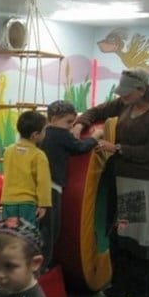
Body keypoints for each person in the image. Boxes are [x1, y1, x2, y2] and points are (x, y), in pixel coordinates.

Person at [72, 68, 149, 297]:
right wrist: (80, 123)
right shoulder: (125, 104)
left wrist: (117, 148)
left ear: (141, 90)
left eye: (128, 93)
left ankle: (140, 291)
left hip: (142, 182)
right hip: (122, 180)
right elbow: (97, 110)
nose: (123, 97)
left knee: (137, 237)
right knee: (119, 233)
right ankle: (118, 287)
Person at [39, 100, 104, 271]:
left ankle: (40, 263)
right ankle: (43, 267)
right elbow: (80, 148)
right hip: (52, 188)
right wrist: (95, 137)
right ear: (53, 118)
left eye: (72, 123)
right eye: (68, 122)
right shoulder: (60, 134)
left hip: (38, 187)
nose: (70, 127)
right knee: (52, 230)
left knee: (41, 228)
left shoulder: (42, 133)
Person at [0, 110, 51, 225]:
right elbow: (43, 182)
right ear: (35, 135)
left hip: (8, 200)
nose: (45, 133)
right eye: (44, 131)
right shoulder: (39, 155)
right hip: (27, 203)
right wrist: (44, 204)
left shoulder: (8, 150)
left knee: (9, 233)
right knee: (26, 234)